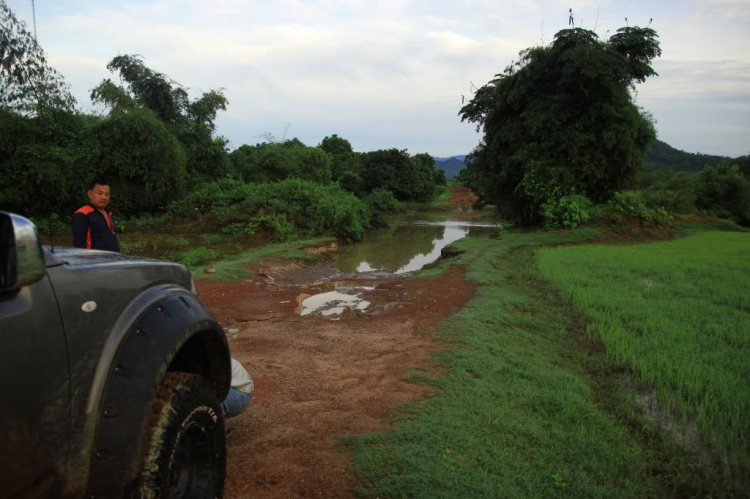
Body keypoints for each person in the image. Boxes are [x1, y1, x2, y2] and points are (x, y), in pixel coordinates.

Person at [71, 179, 120, 252]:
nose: (104, 197)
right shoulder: (83, 214)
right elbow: (79, 245)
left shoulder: (108, 213)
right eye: (100, 193)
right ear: (90, 194)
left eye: (107, 194)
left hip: (112, 260)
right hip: (95, 261)